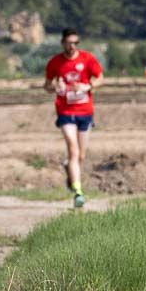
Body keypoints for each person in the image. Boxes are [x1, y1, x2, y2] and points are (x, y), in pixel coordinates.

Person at [44, 28, 103, 208]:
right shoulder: (55, 62)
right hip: (65, 110)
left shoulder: (87, 59)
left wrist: (87, 86)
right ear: (63, 43)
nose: (72, 46)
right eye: (69, 43)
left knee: (81, 155)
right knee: (73, 149)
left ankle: (70, 170)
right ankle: (78, 192)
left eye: (75, 43)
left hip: (85, 110)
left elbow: (100, 78)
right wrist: (55, 87)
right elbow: (46, 85)